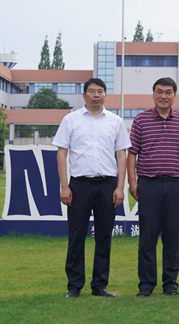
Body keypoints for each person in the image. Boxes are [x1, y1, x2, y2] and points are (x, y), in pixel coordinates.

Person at [53, 78, 131, 298]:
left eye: (100, 91)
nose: (96, 95)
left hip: (108, 185)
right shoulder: (70, 120)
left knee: (104, 236)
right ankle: (74, 285)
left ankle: (99, 285)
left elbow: (121, 156)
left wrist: (120, 187)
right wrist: (65, 186)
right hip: (79, 185)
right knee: (76, 235)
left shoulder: (115, 121)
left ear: (105, 95)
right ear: (84, 95)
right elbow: (61, 154)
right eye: (92, 91)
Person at [126, 77, 179, 297]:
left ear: (175, 95)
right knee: (148, 237)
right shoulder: (141, 120)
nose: (164, 96)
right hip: (148, 185)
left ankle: (170, 283)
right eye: (159, 91)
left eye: (168, 92)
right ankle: (146, 284)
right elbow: (132, 153)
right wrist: (132, 182)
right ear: (153, 94)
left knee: (173, 237)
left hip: (176, 185)